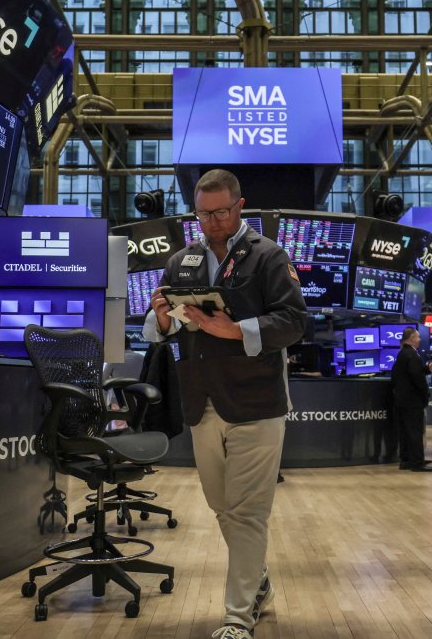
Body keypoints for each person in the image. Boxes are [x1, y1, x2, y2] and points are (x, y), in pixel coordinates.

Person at [144, 169, 306, 639]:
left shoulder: (269, 257)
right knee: (222, 506)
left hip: (256, 402)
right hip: (202, 402)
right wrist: (162, 321)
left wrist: (234, 330)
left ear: (240, 207)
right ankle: (255, 578)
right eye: (202, 214)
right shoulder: (181, 261)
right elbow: (162, 329)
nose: (211, 222)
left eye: (220, 212)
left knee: (248, 511)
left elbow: (294, 321)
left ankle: (238, 618)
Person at [390, 327, 432, 471]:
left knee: (405, 432)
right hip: (413, 402)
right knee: (415, 432)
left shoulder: (402, 354)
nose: (419, 339)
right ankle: (417, 462)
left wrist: (426, 368)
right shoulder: (412, 354)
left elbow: (403, 374)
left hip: (402, 401)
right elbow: (418, 379)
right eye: (417, 337)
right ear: (411, 338)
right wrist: (426, 396)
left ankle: (406, 460)